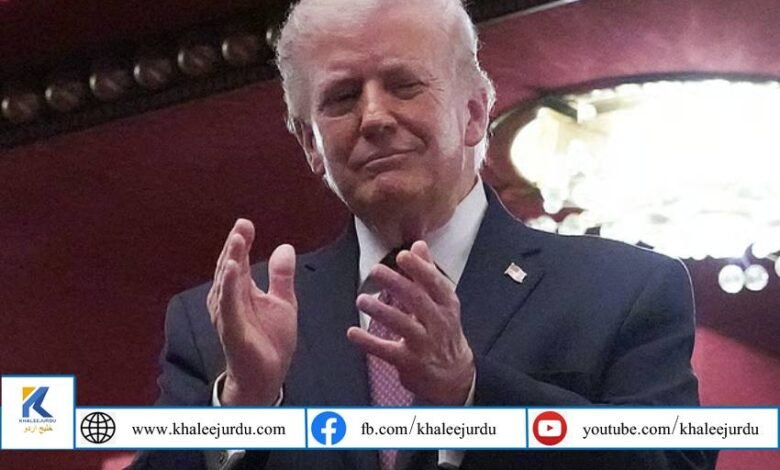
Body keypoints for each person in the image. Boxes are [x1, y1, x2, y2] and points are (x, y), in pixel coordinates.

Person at [133, 0, 716, 468]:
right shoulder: (223, 325)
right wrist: (244, 406)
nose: (374, 117)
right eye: (342, 97)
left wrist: (471, 394)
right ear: (310, 143)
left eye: (404, 84)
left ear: (474, 113)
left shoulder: (625, 290)